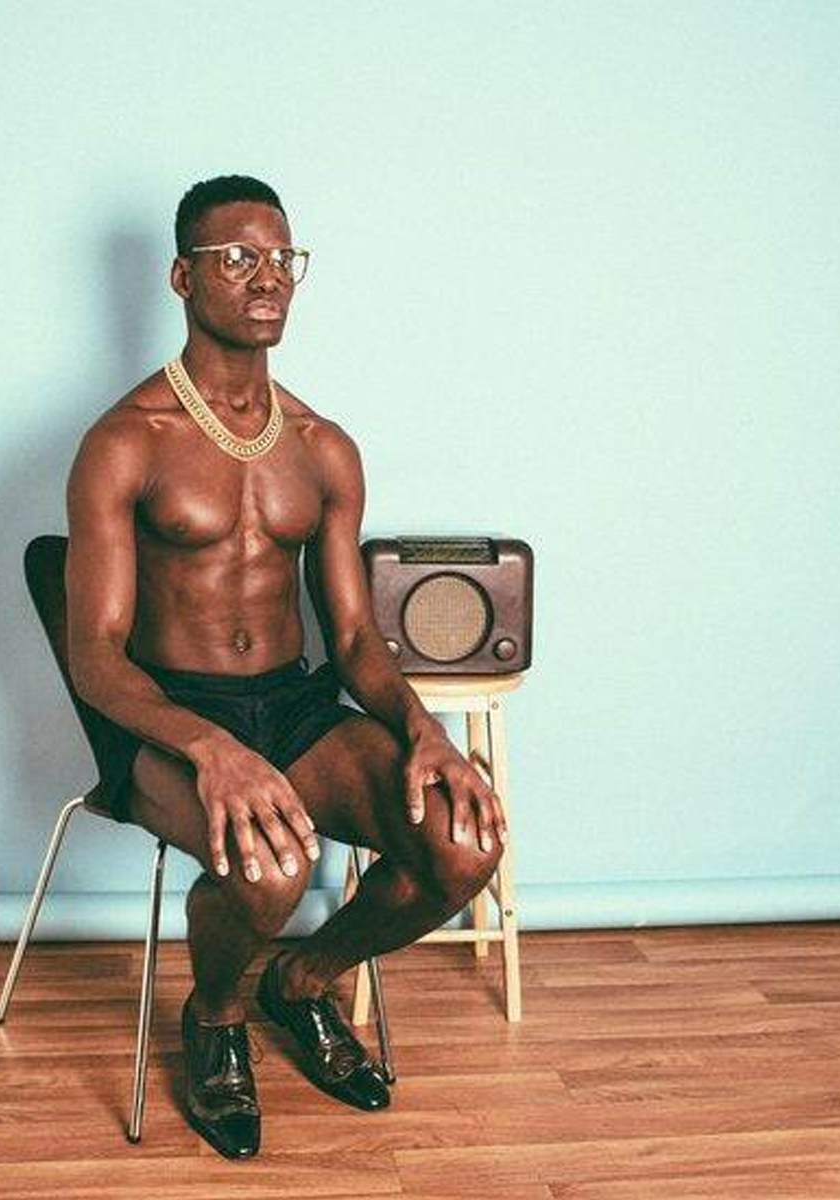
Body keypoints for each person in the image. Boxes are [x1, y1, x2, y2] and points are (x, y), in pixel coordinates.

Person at [63, 174, 509, 1159]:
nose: (266, 278)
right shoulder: (125, 443)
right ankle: (216, 1017)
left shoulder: (324, 449)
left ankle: (301, 983)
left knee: (463, 846)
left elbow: (353, 641)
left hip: (294, 703)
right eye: (236, 259)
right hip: (168, 716)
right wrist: (209, 750)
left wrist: (423, 730)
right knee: (272, 865)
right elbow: (94, 657)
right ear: (184, 276)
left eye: (280, 259)